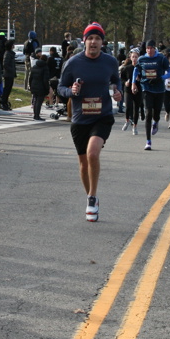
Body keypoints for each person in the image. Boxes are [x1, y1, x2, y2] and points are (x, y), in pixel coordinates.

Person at [57, 23, 121, 221]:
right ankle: (90, 197)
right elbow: (60, 87)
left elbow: (116, 80)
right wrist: (71, 91)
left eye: (98, 38)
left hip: (102, 116)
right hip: (80, 118)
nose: (94, 42)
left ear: (102, 42)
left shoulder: (110, 62)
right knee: (84, 163)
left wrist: (118, 91)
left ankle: (92, 197)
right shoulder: (73, 63)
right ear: (84, 41)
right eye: (90, 38)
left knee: (93, 153)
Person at [133, 39, 170, 150]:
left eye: (151, 48)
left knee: (156, 113)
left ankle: (156, 121)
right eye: (147, 48)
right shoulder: (142, 59)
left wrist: (161, 78)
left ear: (155, 48)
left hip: (159, 90)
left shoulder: (161, 58)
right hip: (146, 88)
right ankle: (148, 141)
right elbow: (136, 71)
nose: (149, 50)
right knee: (148, 113)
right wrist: (133, 83)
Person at [29, 48, 49, 121]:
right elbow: (45, 80)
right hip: (41, 87)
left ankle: (35, 115)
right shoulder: (45, 68)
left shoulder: (34, 66)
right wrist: (47, 88)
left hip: (34, 85)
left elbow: (30, 78)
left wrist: (30, 86)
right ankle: (37, 115)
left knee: (35, 101)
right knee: (39, 102)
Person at [1, 39, 17, 110]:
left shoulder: (11, 53)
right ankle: (3, 103)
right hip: (8, 75)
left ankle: (5, 102)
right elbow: (5, 64)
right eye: (13, 44)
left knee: (9, 89)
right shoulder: (7, 53)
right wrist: (12, 70)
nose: (14, 46)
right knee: (6, 89)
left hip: (11, 74)